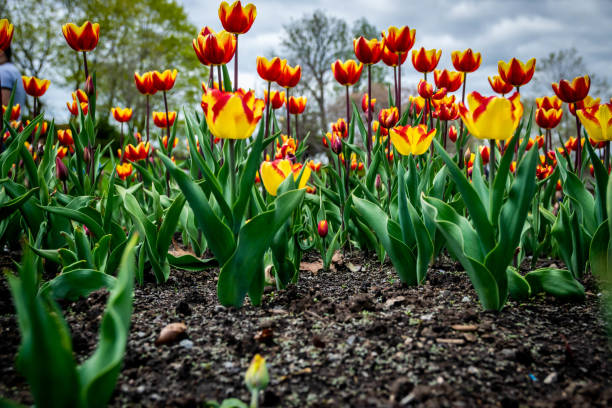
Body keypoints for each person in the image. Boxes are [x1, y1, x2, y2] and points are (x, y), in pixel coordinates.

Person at [0, 45, 26, 115]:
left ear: (1, 51)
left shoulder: (3, 71)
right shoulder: (14, 70)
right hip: (15, 123)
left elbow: (4, 103)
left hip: (5, 124)